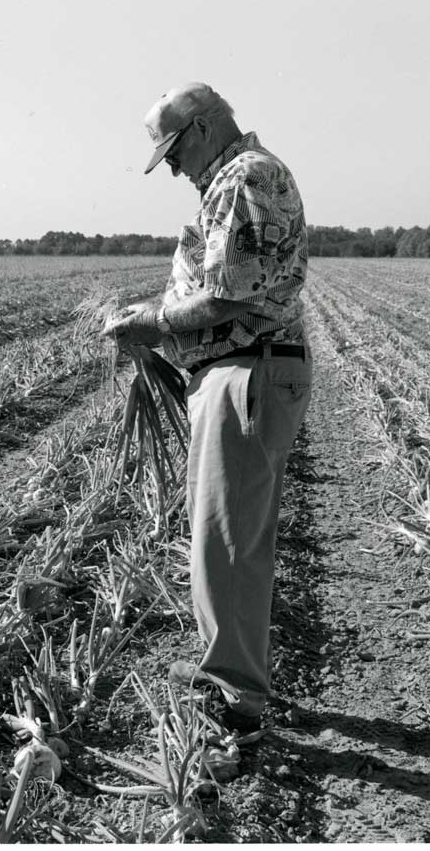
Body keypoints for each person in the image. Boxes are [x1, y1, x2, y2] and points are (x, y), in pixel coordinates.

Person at [101, 82, 312, 736]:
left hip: (250, 370)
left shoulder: (245, 177)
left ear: (203, 128)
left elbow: (227, 297)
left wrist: (155, 321)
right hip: (242, 370)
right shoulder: (230, 182)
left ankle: (236, 705)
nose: (169, 166)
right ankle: (233, 686)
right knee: (226, 538)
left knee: (226, 547)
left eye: (171, 151)